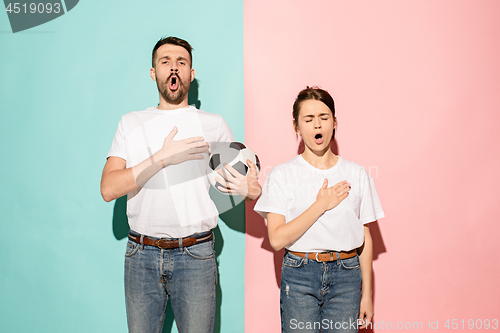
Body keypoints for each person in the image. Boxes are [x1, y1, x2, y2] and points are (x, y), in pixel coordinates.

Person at [100, 36, 261, 333]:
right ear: (153, 73)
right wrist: (160, 159)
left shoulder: (214, 124)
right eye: (165, 62)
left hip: (196, 256)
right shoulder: (130, 123)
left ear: (190, 74)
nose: (173, 69)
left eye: (181, 63)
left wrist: (254, 191)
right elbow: (108, 189)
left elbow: (246, 180)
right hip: (141, 256)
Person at [254, 87, 384, 333]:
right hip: (300, 274)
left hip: (347, 277)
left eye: (324, 118)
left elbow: (365, 237)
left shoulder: (357, 174)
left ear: (334, 123)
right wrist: (321, 205)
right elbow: (276, 239)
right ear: (297, 127)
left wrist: (367, 295)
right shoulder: (281, 175)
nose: (317, 126)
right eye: (309, 119)